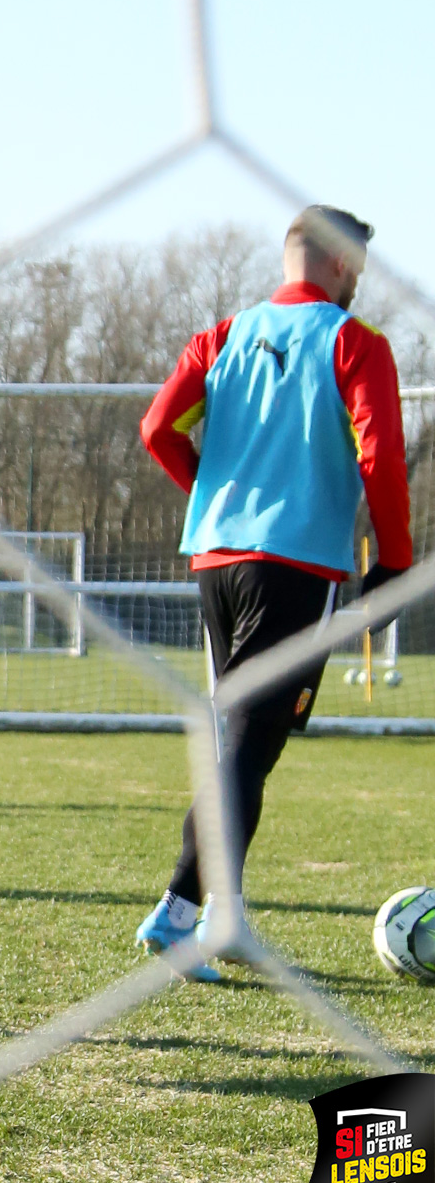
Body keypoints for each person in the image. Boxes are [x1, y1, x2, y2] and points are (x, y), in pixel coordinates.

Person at [135, 205, 412, 980]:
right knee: (250, 745)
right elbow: (381, 456)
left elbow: (158, 427)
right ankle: (181, 910)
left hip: (216, 560)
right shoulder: (354, 342)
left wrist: (213, 498)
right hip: (295, 564)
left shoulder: (221, 336)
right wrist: (393, 561)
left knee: (245, 742)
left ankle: (222, 917)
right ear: (340, 263)